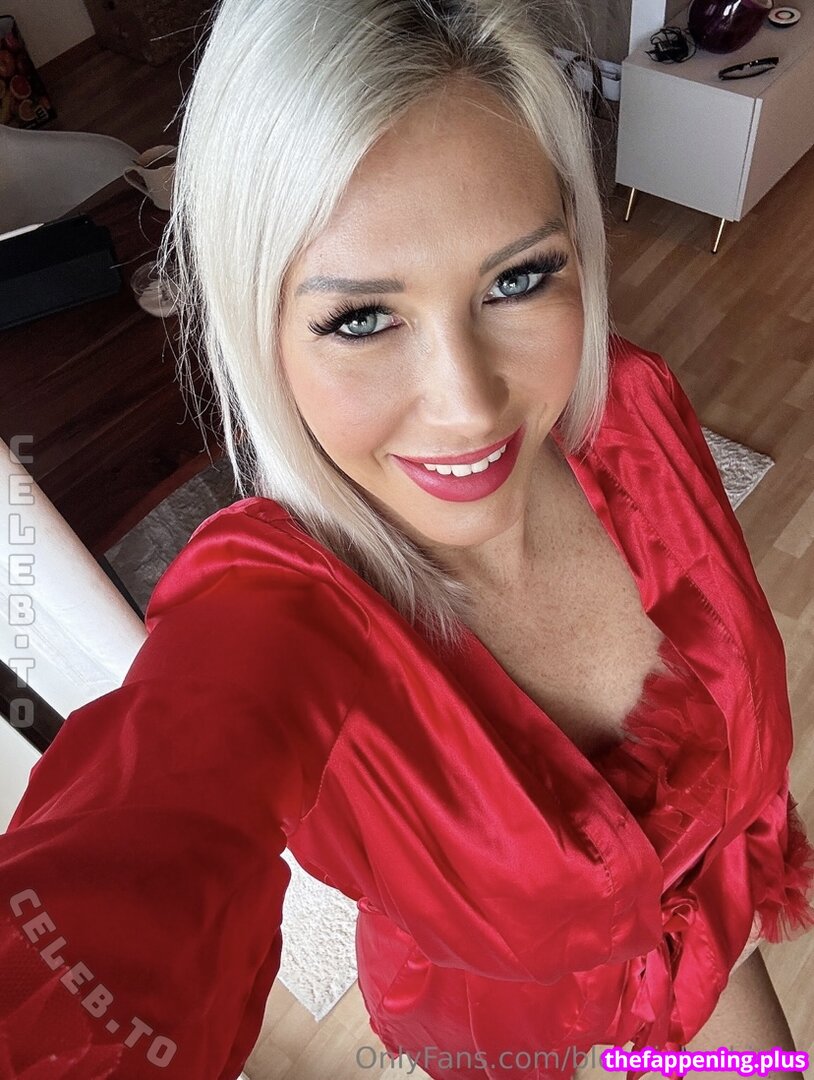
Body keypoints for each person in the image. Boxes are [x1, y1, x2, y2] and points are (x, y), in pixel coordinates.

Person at [1, 1, 813, 1078]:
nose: (469, 407)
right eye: (360, 318)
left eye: (517, 278)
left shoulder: (633, 409)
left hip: (710, 941)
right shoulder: (269, 616)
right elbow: (120, 884)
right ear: (259, 327)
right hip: (501, 1034)